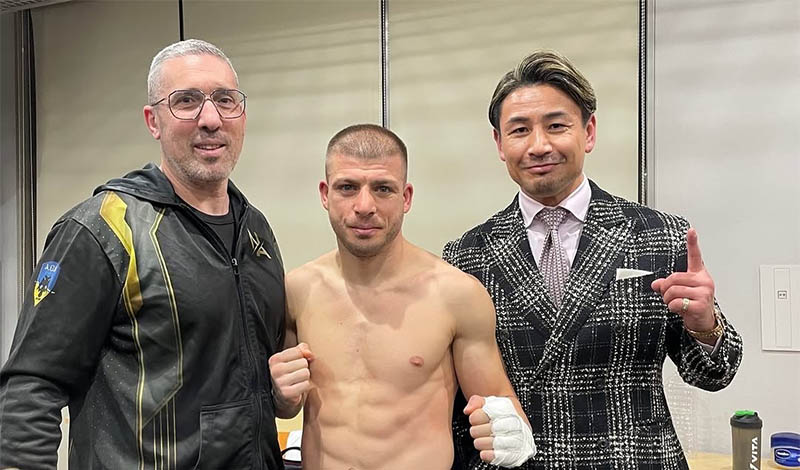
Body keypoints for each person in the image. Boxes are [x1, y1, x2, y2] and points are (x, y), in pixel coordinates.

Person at [443, 50, 743, 469]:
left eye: (556, 126)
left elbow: (713, 375)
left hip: (631, 460)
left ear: (589, 132)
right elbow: (458, 398)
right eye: (520, 130)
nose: (539, 145)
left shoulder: (660, 234)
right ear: (499, 144)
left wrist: (705, 326)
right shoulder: (466, 255)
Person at [0, 39, 286, 469]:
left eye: (225, 100)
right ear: (154, 121)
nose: (210, 119)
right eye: (186, 101)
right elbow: (30, 388)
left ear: (241, 115)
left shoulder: (255, 231)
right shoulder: (102, 230)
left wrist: (280, 394)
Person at [268, 124, 536, 470]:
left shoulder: (455, 295)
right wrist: (280, 395)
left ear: (406, 197)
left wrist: (513, 434)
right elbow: (286, 405)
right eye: (347, 187)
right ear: (325, 194)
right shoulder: (297, 290)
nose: (364, 206)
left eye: (383, 189)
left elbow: (499, 406)